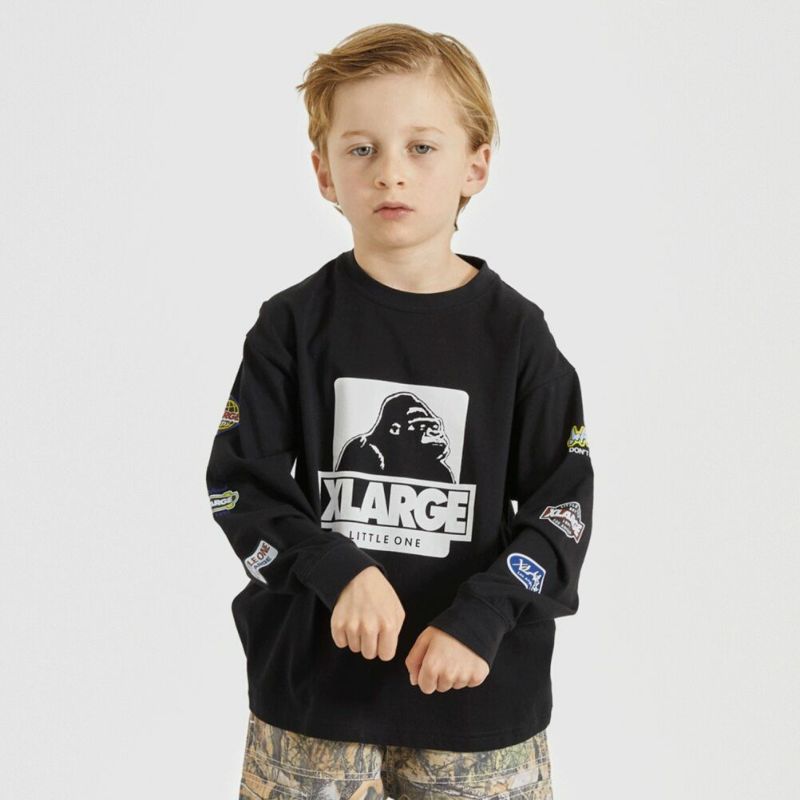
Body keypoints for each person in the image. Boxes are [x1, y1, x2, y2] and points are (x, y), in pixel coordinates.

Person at [206, 22, 594, 800]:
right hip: (313, 708)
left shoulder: (518, 338)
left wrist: (482, 618)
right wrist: (334, 569)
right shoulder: (292, 325)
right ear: (324, 172)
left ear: (476, 164)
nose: (391, 173)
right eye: (362, 149)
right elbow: (239, 486)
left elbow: (561, 512)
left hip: (480, 705)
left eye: (421, 147)